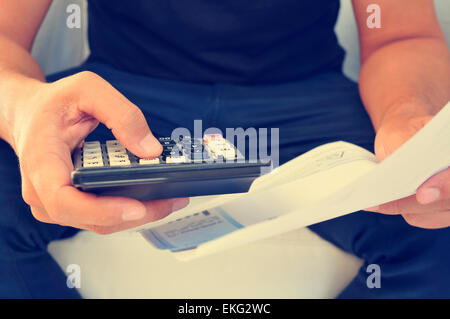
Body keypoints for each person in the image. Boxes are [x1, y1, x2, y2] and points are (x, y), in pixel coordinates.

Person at [0, 0, 449, 298]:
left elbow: (400, 34)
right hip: (116, 99)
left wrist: (407, 116)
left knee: (438, 206)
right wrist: (24, 109)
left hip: (307, 100)